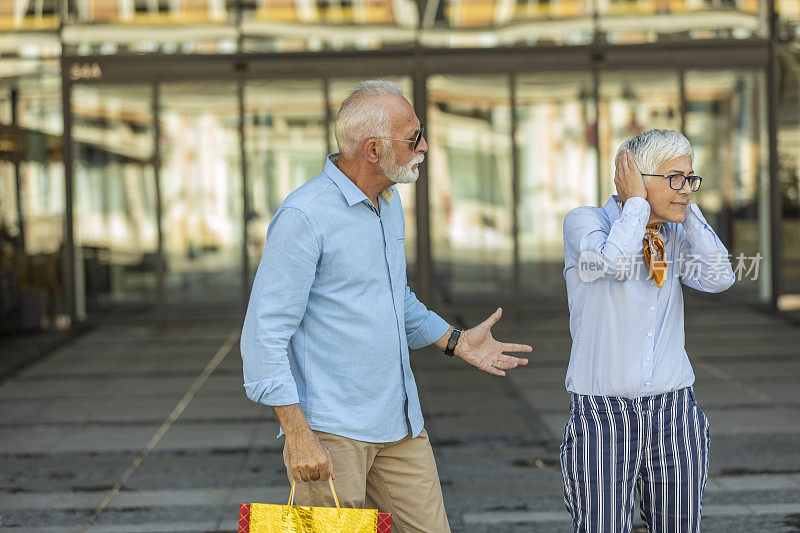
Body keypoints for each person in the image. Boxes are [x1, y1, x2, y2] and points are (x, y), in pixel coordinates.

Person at [240, 80, 532, 533]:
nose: (425, 146)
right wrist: (298, 436)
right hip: (331, 434)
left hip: (401, 424)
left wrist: (455, 340)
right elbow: (264, 335)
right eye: (413, 137)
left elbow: (396, 301)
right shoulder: (305, 216)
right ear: (374, 150)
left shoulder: (388, 203)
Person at [559, 129, 735, 533]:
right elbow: (613, 265)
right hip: (602, 414)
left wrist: (682, 206)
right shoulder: (586, 222)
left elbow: (719, 277)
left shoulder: (673, 233)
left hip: (675, 411)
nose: (687, 189)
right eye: (675, 178)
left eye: (690, 178)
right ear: (634, 177)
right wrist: (637, 203)